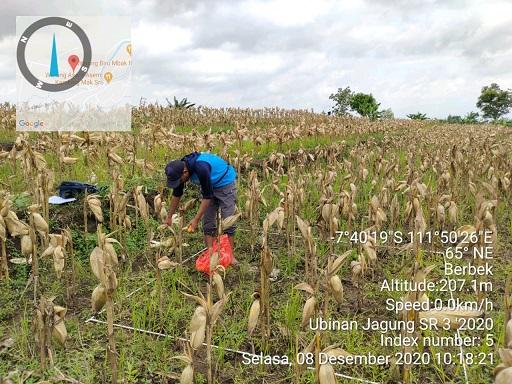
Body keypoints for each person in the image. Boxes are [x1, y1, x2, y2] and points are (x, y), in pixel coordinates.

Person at [164, 151, 237, 251]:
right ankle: (210, 252)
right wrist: (169, 217)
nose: (179, 183)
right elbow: (177, 194)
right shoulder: (179, 170)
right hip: (208, 184)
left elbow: (207, 197)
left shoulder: (201, 168)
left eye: (179, 181)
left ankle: (230, 255)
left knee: (228, 219)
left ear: (185, 172)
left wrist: (196, 220)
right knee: (207, 220)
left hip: (225, 183)